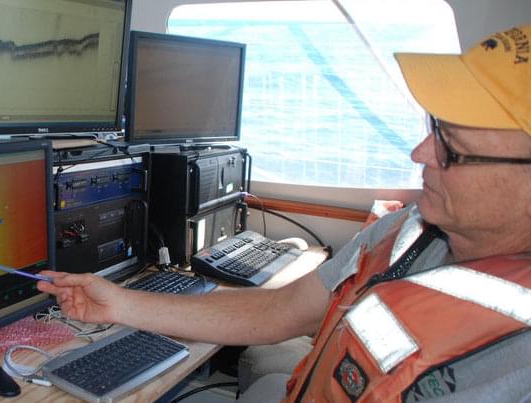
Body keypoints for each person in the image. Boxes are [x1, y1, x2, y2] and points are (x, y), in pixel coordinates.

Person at [38, 24, 531, 402]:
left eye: (453, 146)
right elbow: (279, 311)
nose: (420, 153)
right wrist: (121, 303)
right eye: (433, 128)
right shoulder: (405, 230)